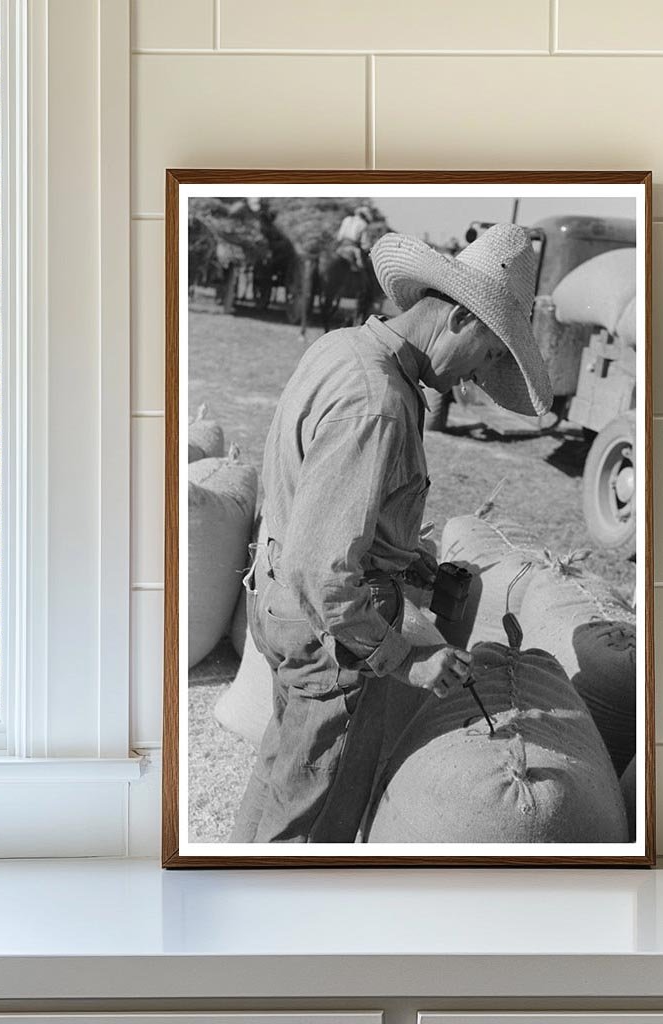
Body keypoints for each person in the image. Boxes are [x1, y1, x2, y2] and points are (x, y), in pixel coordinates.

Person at [229, 222, 553, 844]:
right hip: (329, 640)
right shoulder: (377, 404)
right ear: (460, 319)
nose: (471, 381)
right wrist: (408, 660)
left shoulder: (342, 348)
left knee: (285, 775)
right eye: (486, 357)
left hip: (279, 604)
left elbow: (322, 509)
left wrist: (409, 565)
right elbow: (324, 571)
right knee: (309, 815)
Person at [335, 204, 373, 271]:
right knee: (361, 269)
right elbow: (365, 244)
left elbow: (339, 236)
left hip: (341, 247)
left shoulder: (347, 219)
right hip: (353, 248)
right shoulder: (363, 224)